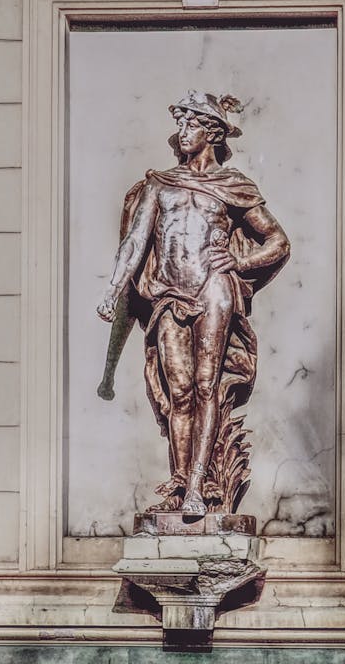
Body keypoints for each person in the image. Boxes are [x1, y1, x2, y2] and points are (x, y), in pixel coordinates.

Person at [97, 90, 290, 517]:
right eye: (180, 124)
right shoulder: (159, 184)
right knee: (178, 391)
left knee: (207, 386)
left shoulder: (232, 185)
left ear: (213, 133)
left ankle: (199, 487)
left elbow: (277, 241)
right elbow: (134, 242)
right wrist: (113, 290)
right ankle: (181, 478)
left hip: (214, 287)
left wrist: (241, 260)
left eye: (191, 125)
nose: (182, 132)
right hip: (168, 292)